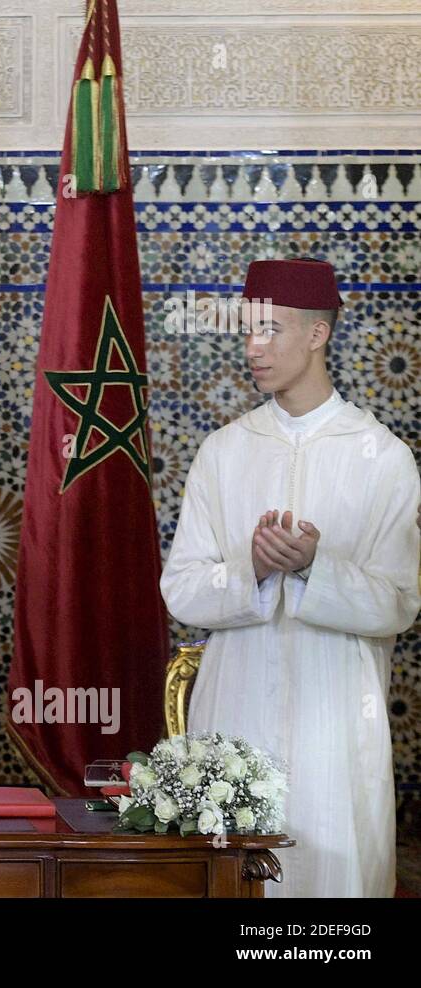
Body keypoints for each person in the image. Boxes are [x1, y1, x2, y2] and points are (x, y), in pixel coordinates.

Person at [160, 258, 421, 896]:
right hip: (235, 713)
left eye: (271, 329)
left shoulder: (380, 456)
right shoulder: (224, 451)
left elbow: (398, 603)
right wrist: (253, 567)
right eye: (248, 329)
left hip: (336, 722)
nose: (254, 346)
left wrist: (311, 568)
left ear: (317, 334)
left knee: (330, 887)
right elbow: (183, 590)